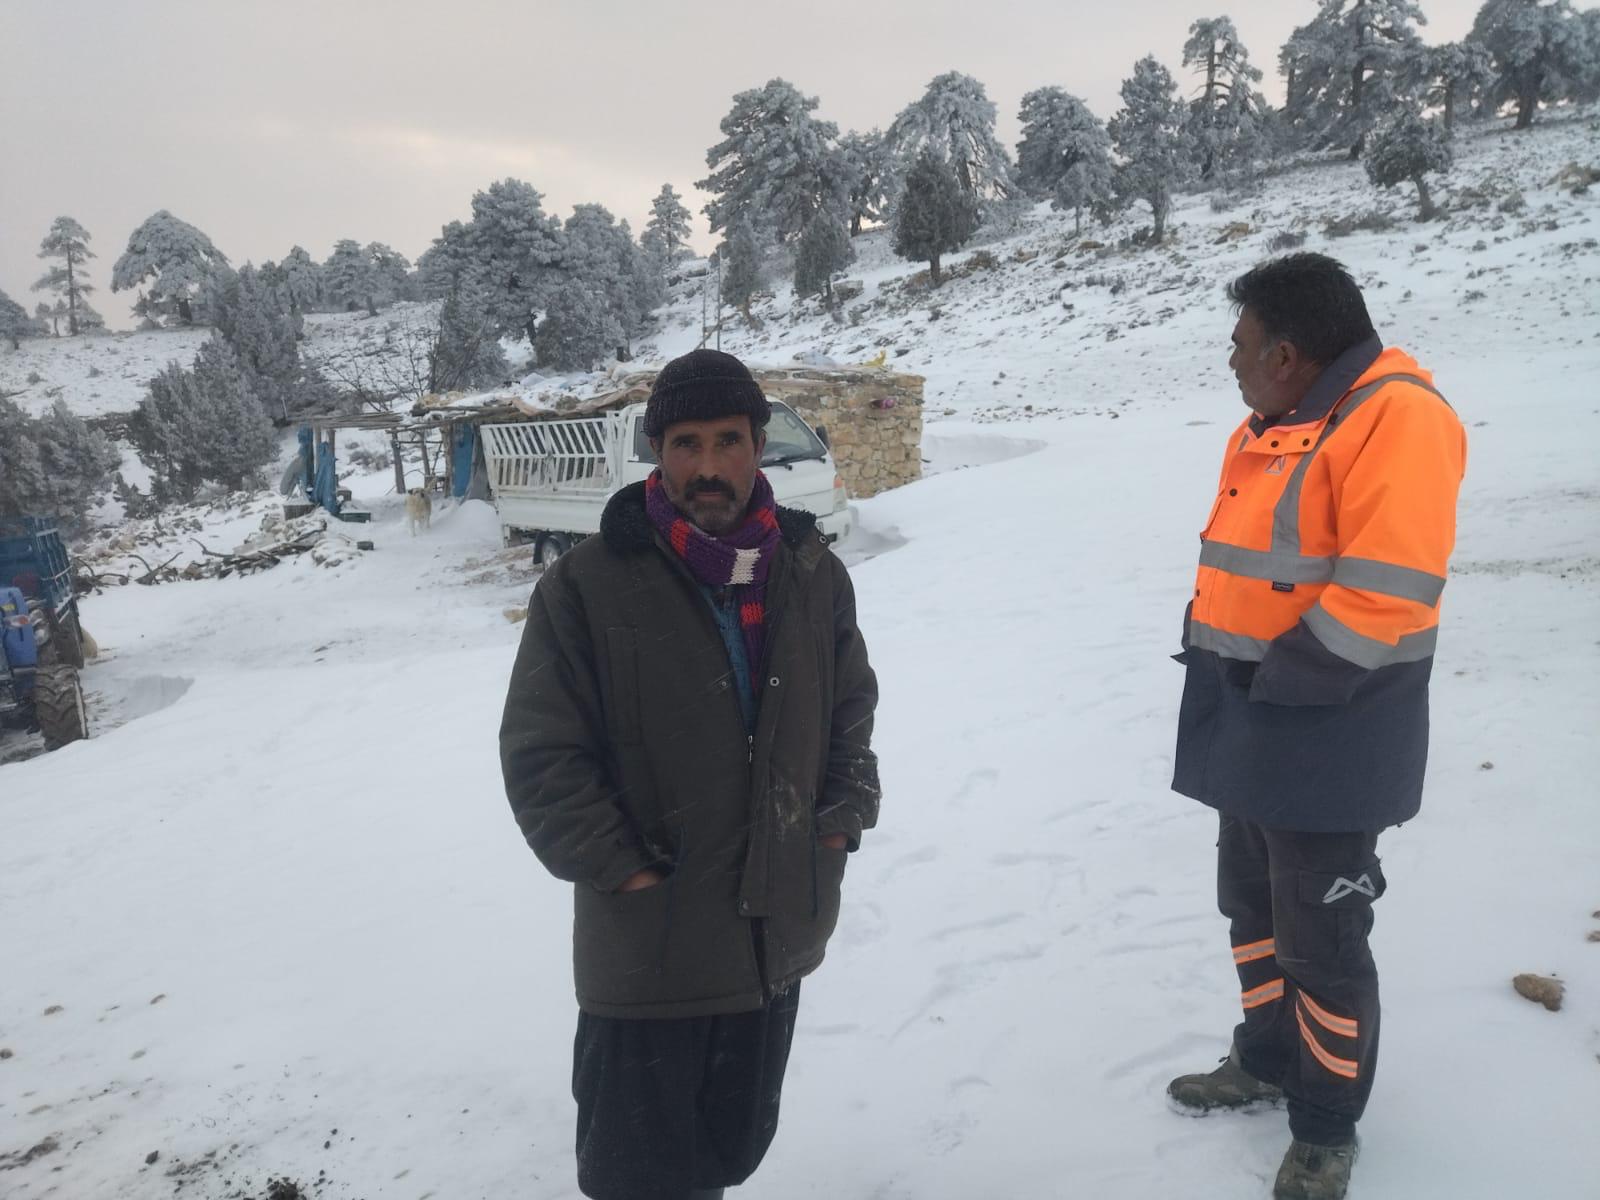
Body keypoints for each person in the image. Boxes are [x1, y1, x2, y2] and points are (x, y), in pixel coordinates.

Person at [500, 347, 880, 1200]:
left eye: (729, 440)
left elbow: (850, 712)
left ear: (757, 445)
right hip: (650, 952)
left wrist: (839, 819)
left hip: (773, 931)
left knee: (728, 1151)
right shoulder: (587, 587)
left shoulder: (811, 573)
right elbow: (541, 754)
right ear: (656, 451)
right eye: (685, 443)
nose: (708, 467)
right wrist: (625, 871)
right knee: (638, 1176)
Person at [1166, 254, 1467, 1200]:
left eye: (1241, 345)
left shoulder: (1400, 419)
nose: (1232, 361)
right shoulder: (1279, 424)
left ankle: (1327, 1131)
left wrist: (1270, 686)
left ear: (1289, 354)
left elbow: (1384, 597)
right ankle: (1264, 1058)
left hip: (1327, 734)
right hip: (1251, 723)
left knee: (1322, 942)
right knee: (1251, 912)